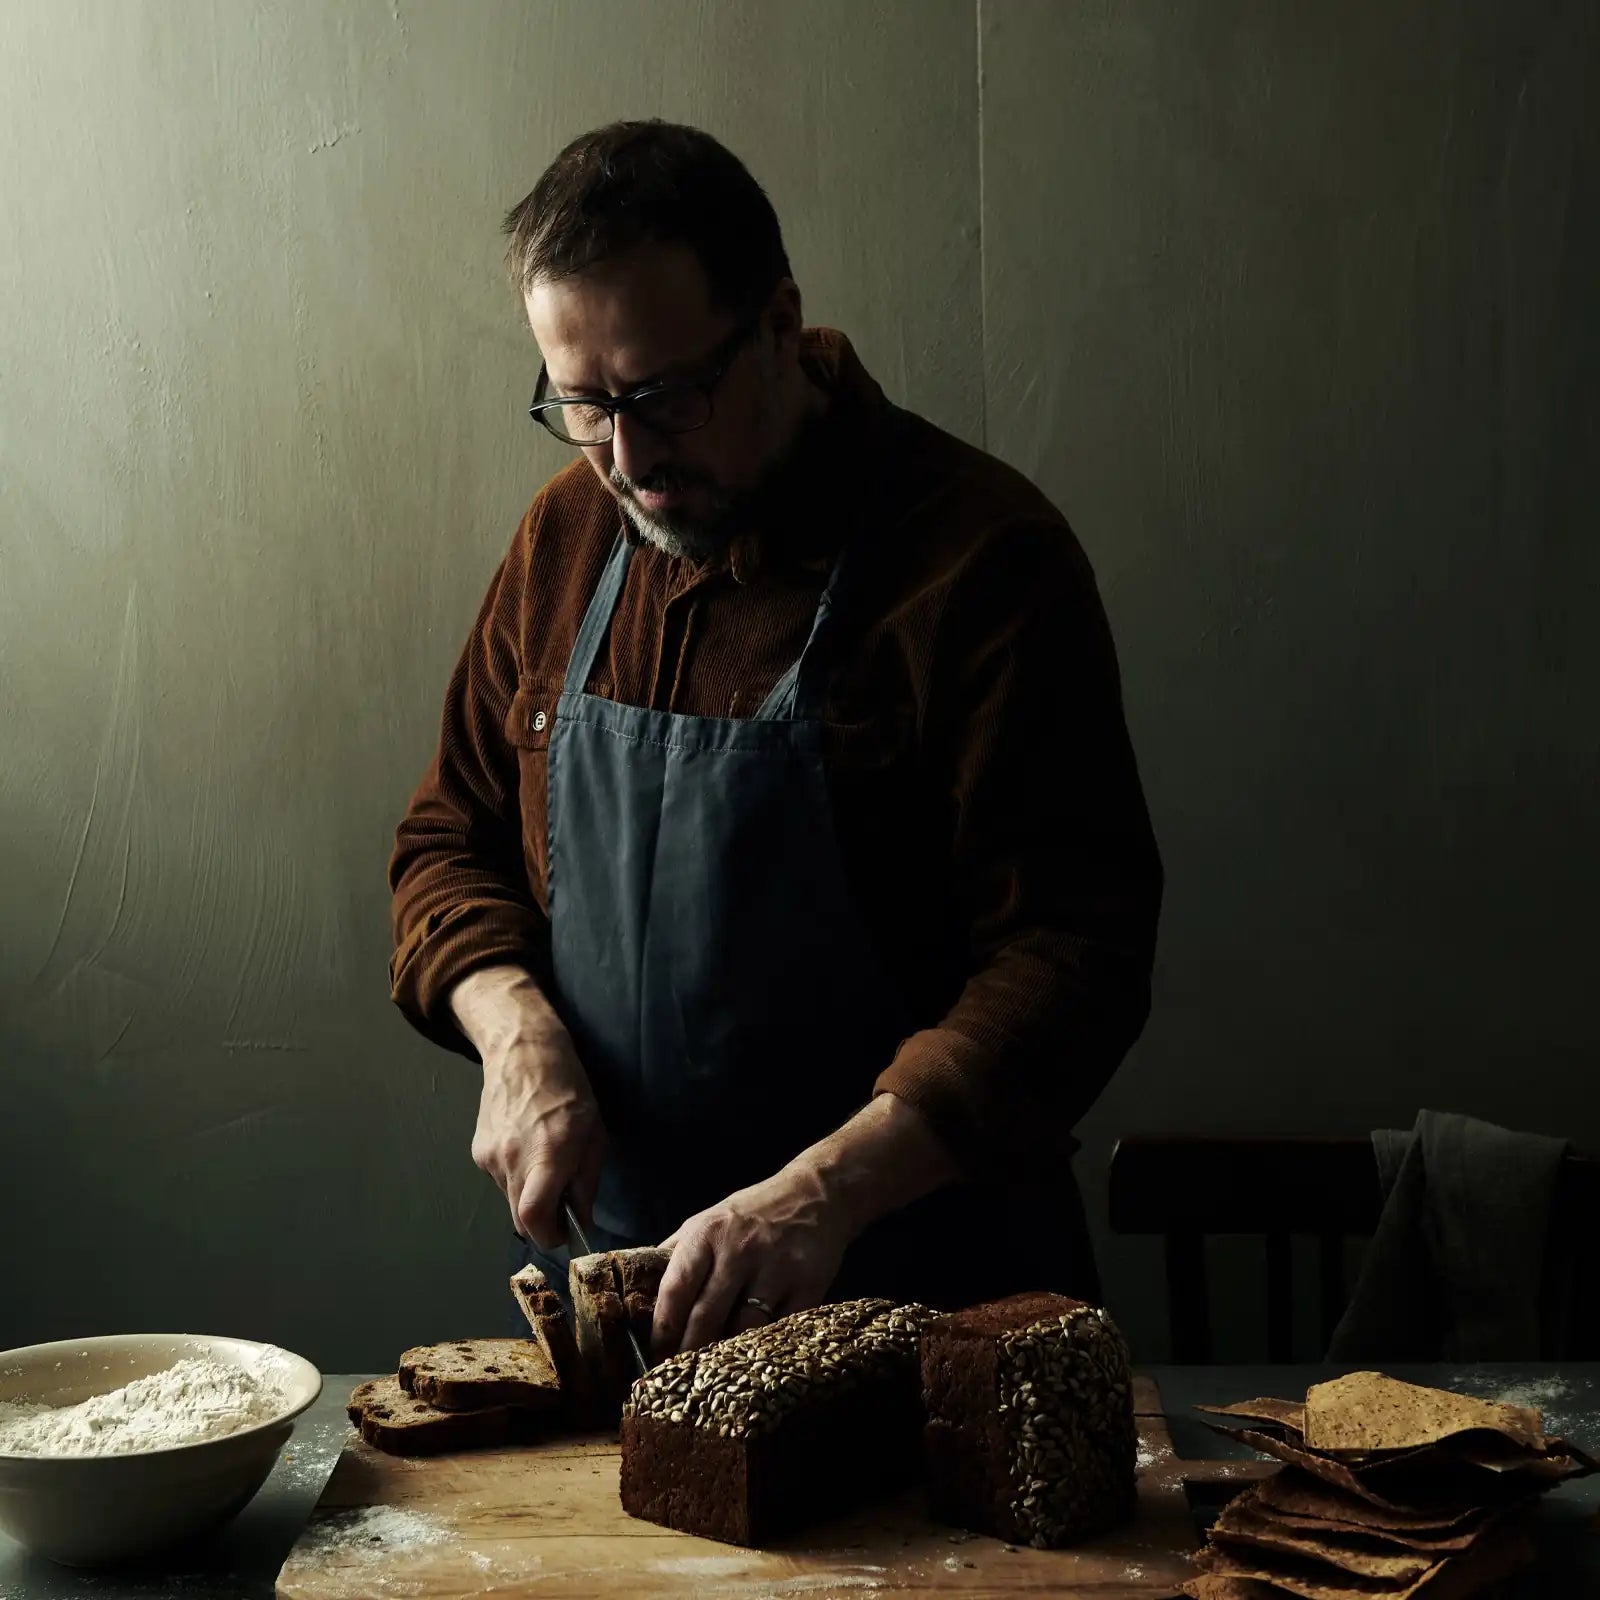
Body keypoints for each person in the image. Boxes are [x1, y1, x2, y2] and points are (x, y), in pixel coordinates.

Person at [389, 120, 1161, 1359]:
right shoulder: (565, 539)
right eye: (582, 406)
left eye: (664, 398)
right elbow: (447, 840)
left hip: (938, 1314)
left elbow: (1073, 953)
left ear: (780, 323)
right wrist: (513, 1026)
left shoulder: (982, 562)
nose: (628, 463)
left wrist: (827, 1193)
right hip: (632, 1315)